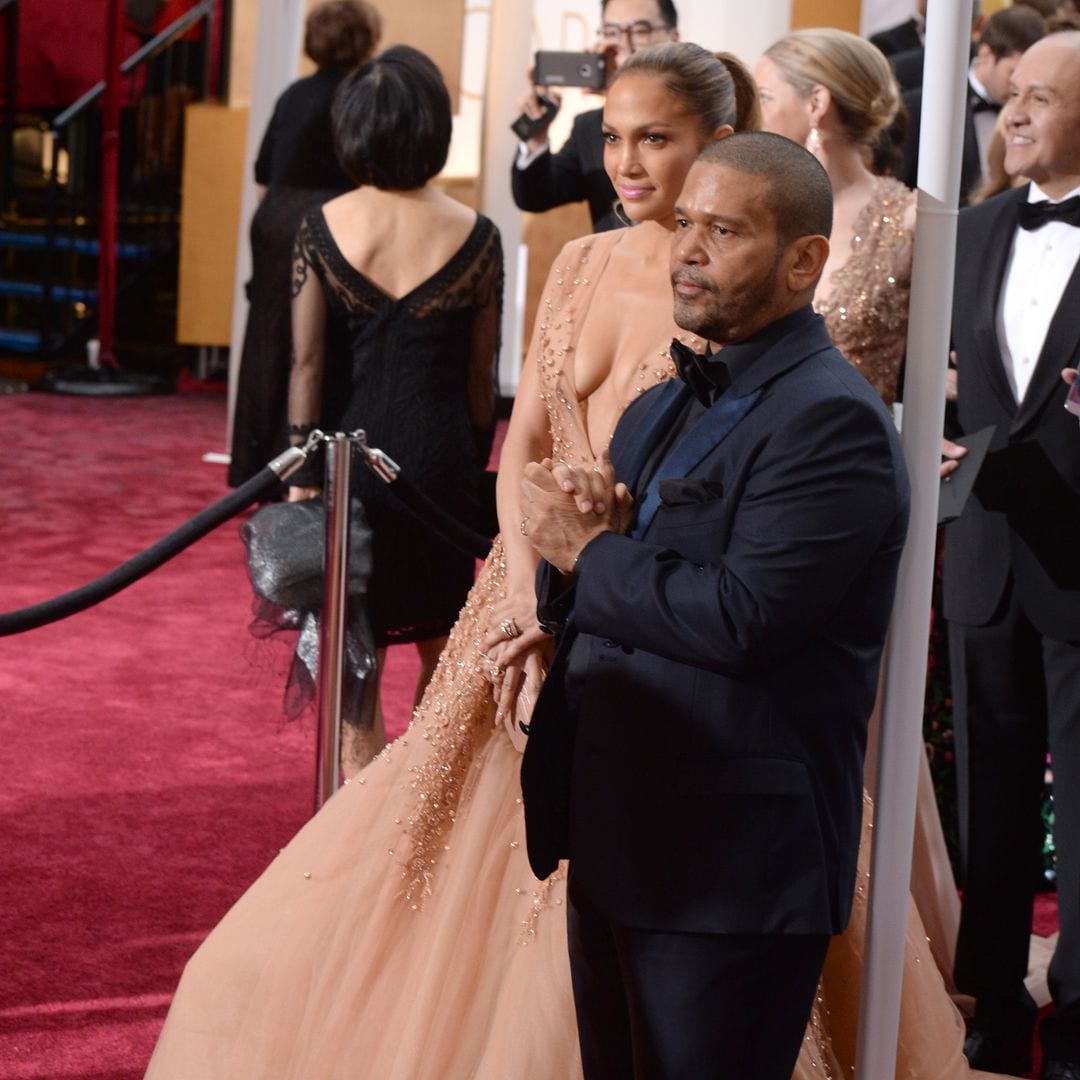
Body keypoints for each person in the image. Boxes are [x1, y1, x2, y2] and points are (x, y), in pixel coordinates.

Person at [144, 42, 752, 1078]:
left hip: (624, 612)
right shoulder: (567, 257)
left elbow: (717, 477)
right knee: (432, 822)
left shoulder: (724, 290)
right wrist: (517, 581)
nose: (626, 161)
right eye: (612, 136)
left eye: (655, 137)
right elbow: (514, 431)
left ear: (717, 144)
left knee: (566, 854)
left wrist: (568, 598)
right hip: (500, 562)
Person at [284, 45, 503, 771]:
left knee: (359, 656)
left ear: (353, 128)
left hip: (353, 459)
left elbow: (308, 366)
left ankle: (360, 839)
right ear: (434, 127)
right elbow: (481, 378)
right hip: (439, 456)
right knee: (444, 643)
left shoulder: (322, 224)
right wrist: (473, 468)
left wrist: (300, 471)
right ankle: (423, 825)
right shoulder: (478, 235)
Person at [943, 30, 1080, 1079]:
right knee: (988, 785)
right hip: (985, 547)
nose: (1016, 111)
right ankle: (992, 994)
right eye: (1014, 92)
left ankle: (1078, 1013)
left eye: (1042, 95)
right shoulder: (975, 230)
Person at [227, 0, 381, 489]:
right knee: (317, 346)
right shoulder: (360, 94)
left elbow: (261, 173)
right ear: (364, 38)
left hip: (275, 217)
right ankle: (312, 465)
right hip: (329, 222)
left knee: (269, 339)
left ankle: (263, 468)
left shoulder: (294, 93)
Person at [755, 27, 913, 407]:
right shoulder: (753, 209)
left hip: (851, 448)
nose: (752, 114)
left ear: (816, 104)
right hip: (747, 442)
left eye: (765, 97)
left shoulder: (911, 221)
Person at [510, 0, 678, 230]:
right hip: (614, 262)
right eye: (611, 32)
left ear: (673, 37)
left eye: (640, 30)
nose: (622, 44)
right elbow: (536, 197)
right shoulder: (590, 126)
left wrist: (627, 91)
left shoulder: (695, 116)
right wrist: (535, 139)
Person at [897, 5, 1046, 205]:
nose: (1020, 86)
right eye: (1012, 72)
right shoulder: (922, 106)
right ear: (986, 55)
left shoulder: (1038, 114)